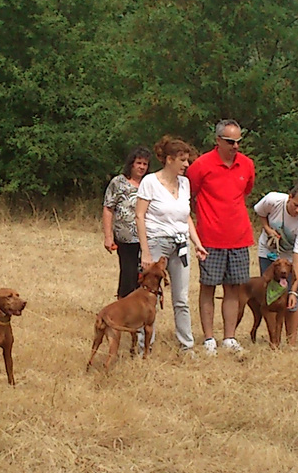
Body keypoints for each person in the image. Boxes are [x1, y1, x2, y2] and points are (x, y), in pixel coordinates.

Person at [186, 120, 257, 355]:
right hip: (210, 237)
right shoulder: (201, 165)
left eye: (238, 142)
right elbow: (190, 194)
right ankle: (208, 339)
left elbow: (245, 191)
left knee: (233, 289)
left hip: (239, 237)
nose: (235, 146)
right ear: (217, 140)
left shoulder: (247, 165)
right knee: (208, 287)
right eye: (230, 142)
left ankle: (229, 337)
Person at [136, 135, 205, 353]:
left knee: (181, 298)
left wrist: (197, 242)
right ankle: (143, 345)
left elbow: (185, 216)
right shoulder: (150, 182)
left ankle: (187, 346)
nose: (187, 164)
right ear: (169, 160)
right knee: (149, 296)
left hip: (180, 244)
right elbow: (140, 216)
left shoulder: (184, 184)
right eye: (182, 160)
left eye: (187, 160)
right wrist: (145, 252)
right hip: (157, 242)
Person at [252, 182, 298, 345]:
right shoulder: (273, 200)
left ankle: (291, 342)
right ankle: (274, 340)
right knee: (269, 296)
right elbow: (260, 212)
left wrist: (293, 291)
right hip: (268, 253)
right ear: (289, 197)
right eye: (296, 205)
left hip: (289, 260)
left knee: (290, 300)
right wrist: (267, 228)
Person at [103, 146, 152, 299]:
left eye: (145, 164)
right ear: (131, 164)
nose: (141, 167)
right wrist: (108, 236)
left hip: (147, 238)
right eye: (139, 163)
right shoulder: (118, 183)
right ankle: (122, 307)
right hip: (126, 238)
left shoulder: (150, 183)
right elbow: (108, 208)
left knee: (144, 276)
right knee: (128, 275)